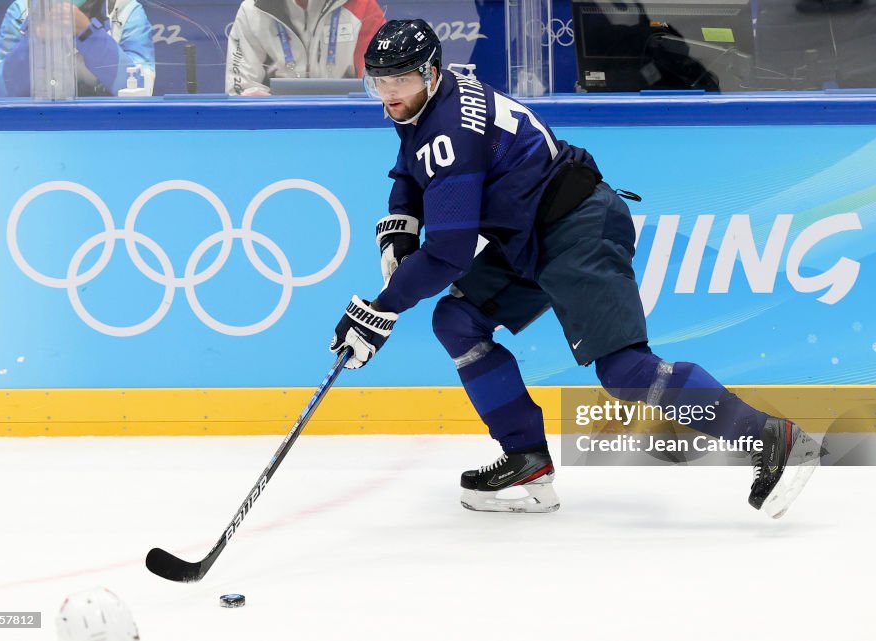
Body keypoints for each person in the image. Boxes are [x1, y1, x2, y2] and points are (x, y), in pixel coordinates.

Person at [329, 19, 822, 517]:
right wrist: (400, 225)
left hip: (577, 228)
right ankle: (526, 458)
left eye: (402, 80)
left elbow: (450, 254)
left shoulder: (449, 129)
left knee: (626, 371)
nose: (391, 95)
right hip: (530, 233)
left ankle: (770, 438)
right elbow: (412, 163)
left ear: (432, 73)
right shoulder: (429, 99)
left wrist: (381, 310)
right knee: (458, 320)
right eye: (380, 81)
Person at [0, 0, 155, 98]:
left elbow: (143, 89)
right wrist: (36, 41)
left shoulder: (125, 10)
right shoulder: (23, 9)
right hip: (36, 129)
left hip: (105, 128)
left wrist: (88, 34)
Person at [225, 0, 386, 96]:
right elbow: (241, 91)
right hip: (275, 129)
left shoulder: (362, 6)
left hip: (346, 126)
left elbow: (379, 87)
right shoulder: (253, 10)